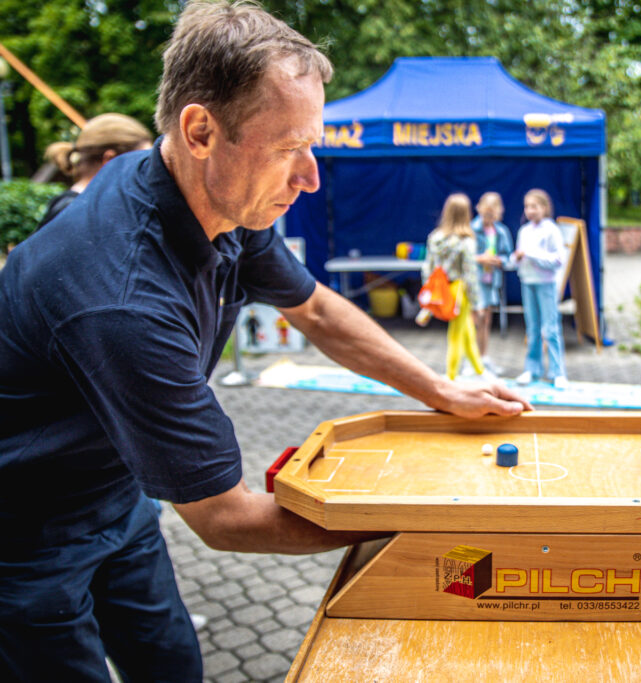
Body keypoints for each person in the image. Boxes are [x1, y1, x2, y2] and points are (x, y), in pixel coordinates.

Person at [0, 2, 529, 681]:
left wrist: (441, 389)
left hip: (118, 494)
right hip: (26, 530)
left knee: (171, 664)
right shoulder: (123, 300)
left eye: (311, 145)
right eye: (287, 150)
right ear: (200, 131)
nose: (308, 176)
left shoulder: (218, 196)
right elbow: (228, 517)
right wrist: (418, 523)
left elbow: (315, 308)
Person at [420, 193, 490, 381]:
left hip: (441, 288)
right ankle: (451, 375)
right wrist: (477, 303)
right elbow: (470, 274)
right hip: (459, 291)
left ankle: (480, 370)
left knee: (466, 331)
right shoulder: (467, 242)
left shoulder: (434, 237)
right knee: (456, 335)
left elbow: (427, 266)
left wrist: (429, 289)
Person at [39, 113, 154, 227]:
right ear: (110, 160)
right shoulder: (75, 213)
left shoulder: (89, 208)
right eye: (142, 161)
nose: (146, 171)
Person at [513, 188, 568, 389]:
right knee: (533, 328)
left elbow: (558, 259)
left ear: (544, 208)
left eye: (534, 206)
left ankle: (558, 372)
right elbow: (517, 258)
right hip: (527, 282)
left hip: (546, 284)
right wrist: (517, 257)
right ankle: (532, 369)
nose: (530, 210)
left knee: (550, 329)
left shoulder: (551, 230)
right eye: (527, 206)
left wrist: (531, 254)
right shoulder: (524, 231)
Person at [470, 191, 514, 375]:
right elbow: (465, 256)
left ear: (498, 212)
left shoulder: (501, 231)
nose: (488, 217)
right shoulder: (471, 229)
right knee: (474, 319)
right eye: (485, 213)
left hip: (491, 281)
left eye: (492, 214)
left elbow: (508, 256)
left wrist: (500, 261)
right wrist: (480, 259)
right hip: (474, 281)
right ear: (479, 209)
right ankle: (470, 359)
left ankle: (483, 357)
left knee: (486, 320)